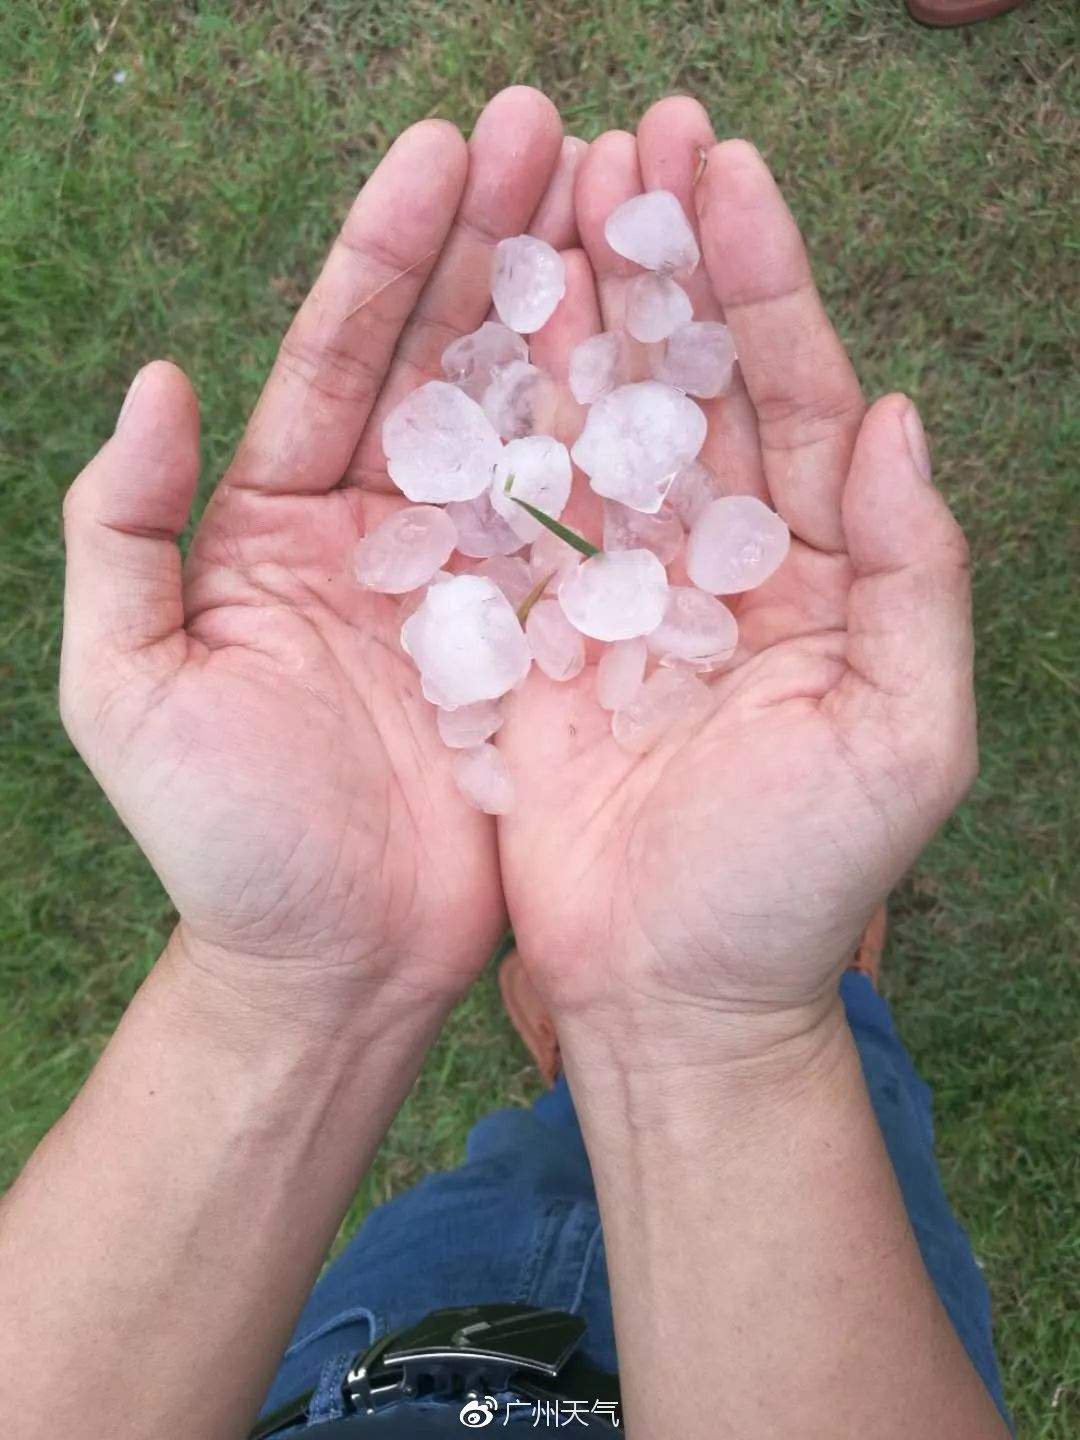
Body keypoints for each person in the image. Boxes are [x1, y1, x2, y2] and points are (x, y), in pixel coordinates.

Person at [0, 89, 1012, 1438]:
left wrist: (280, 997)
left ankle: (617, 1065)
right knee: (840, 1089)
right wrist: (726, 1046)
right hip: (813, 1338)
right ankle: (751, 1027)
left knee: (499, 1208)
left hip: (392, 1354)